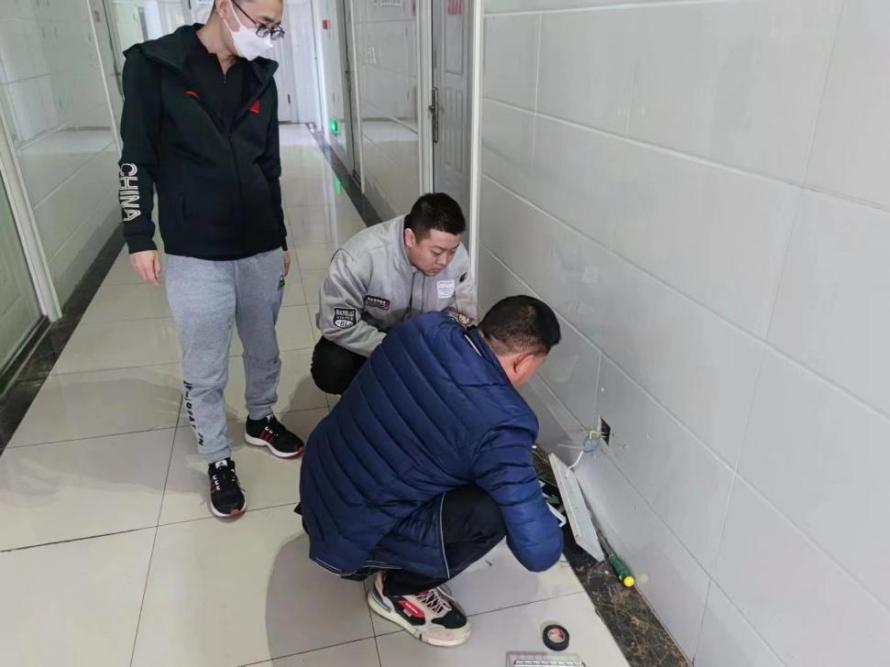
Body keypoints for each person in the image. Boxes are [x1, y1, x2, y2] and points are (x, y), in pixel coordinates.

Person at [118, 0, 304, 519]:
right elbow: (135, 158)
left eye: (274, 28)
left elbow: (269, 166)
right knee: (205, 365)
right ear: (225, 6)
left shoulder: (260, 76)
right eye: (263, 24)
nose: (266, 36)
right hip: (196, 249)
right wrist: (138, 236)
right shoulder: (155, 66)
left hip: (259, 244)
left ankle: (261, 419)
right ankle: (218, 457)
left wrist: (281, 238)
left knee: (264, 347)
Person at [298, 296, 565, 647]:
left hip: (319, 478)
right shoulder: (505, 422)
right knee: (493, 514)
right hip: (343, 536)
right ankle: (397, 591)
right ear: (524, 361)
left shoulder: (425, 327)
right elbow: (538, 553)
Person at [310, 193, 477, 395]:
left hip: (424, 341)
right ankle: (361, 397)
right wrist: (395, 348)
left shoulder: (457, 259)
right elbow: (337, 324)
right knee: (332, 366)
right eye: (436, 252)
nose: (444, 261)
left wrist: (441, 342)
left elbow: (462, 315)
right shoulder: (359, 258)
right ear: (410, 238)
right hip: (370, 339)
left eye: (452, 251)